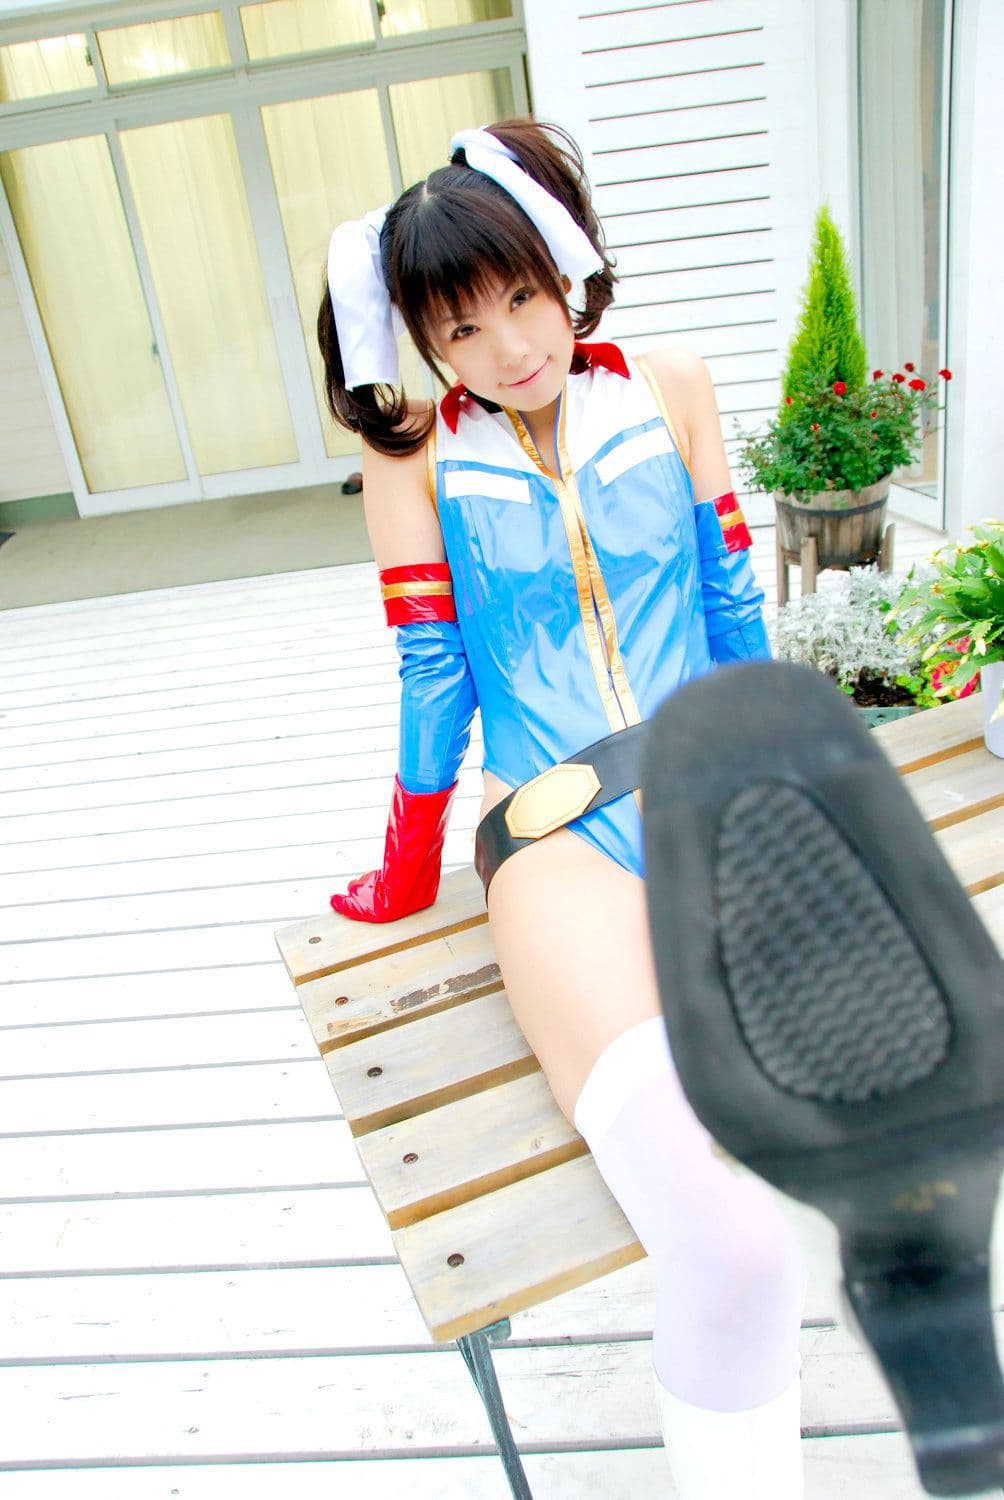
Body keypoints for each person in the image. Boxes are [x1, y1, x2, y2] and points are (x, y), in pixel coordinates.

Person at [317, 118, 807, 1498]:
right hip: (553, 841)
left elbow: (730, 610)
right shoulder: (414, 460)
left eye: (524, 297)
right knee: (737, 1249)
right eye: (460, 329)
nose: (508, 348)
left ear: (564, 266)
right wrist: (408, 863)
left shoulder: (672, 384)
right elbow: (434, 678)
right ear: (425, 342)